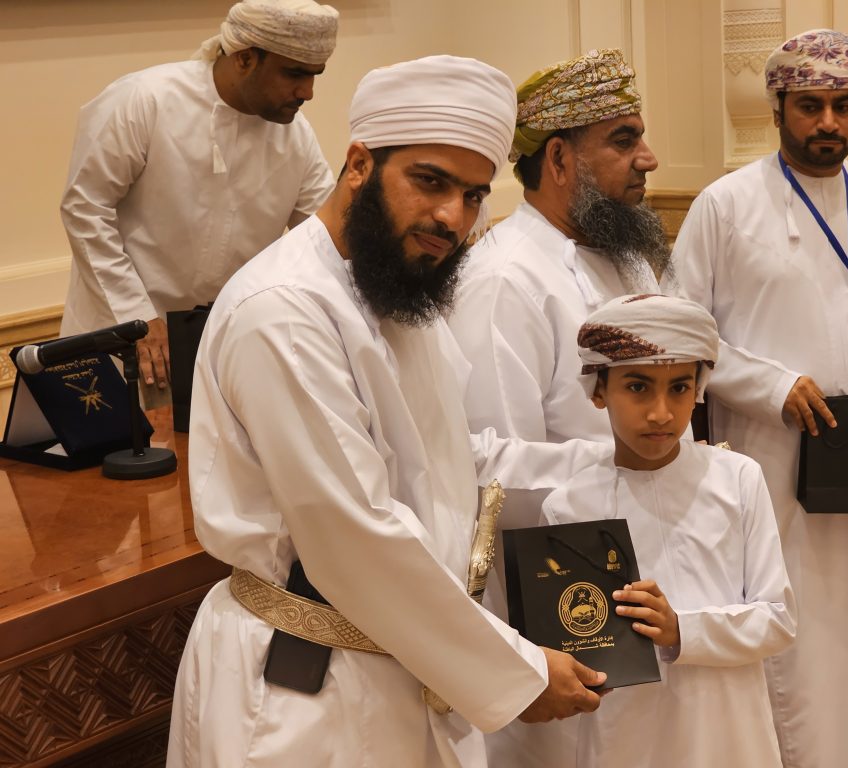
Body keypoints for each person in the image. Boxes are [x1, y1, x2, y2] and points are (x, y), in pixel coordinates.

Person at [167, 55, 612, 768]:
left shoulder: (398, 289)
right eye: (429, 181)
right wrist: (519, 673)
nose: (451, 217)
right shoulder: (284, 312)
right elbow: (356, 531)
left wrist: (614, 463)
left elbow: (449, 456)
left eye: (473, 195)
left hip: (405, 665)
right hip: (307, 693)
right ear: (358, 165)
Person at [667, 29, 848, 768]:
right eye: (811, 105)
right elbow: (680, 335)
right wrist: (770, 386)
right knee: (781, 635)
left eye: (843, 106)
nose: (828, 122)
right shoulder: (724, 205)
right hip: (766, 463)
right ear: (778, 108)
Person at [446, 48, 667, 767]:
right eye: (624, 140)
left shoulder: (626, 255)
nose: (648, 159)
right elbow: (496, 476)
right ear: (561, 158)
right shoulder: (504, 280)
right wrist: (622, 467)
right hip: (565, 597)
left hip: (647, 576)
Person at [541, 293, 796, 767]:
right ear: (598, 390)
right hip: (626, 740)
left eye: (679, 388)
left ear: (698, 390)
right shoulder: (568, 508)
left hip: (731, 735)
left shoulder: (738, 479)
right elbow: (570, 649)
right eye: (638, 387)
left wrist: (682, 629)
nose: (660, 412)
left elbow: (778, 621)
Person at [59, 0, 339, 391]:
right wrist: (136, 318)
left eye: (315, 75)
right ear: (245, 58)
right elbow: (85, 209)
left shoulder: (296, 136)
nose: (307, 92)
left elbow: (325, 236)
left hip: (220, 345)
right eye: (294, 73)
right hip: (117, 335)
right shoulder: (144, 100)